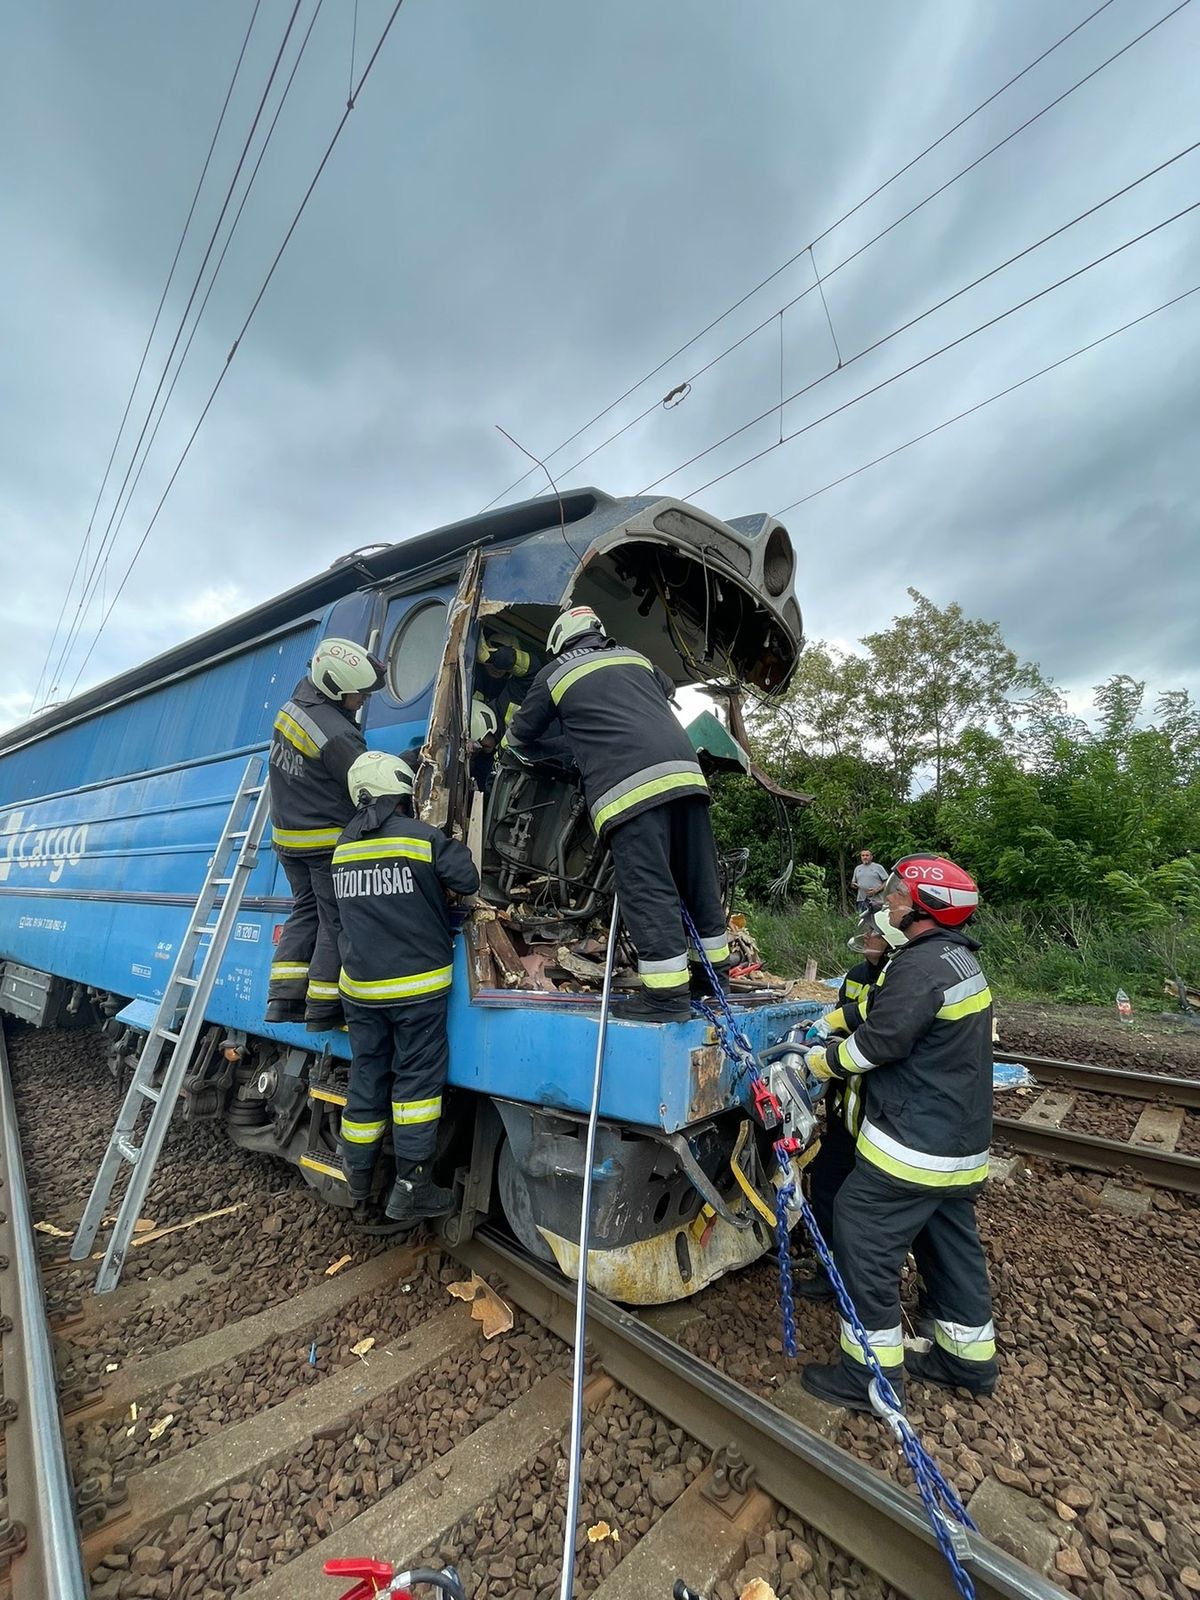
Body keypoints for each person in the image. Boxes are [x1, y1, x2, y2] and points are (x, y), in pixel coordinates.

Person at [799, 853, 998, 1410]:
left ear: (925, 909)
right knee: (948, 1242)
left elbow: (882, 1043)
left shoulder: (920, 966)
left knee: (861, 1229)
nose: (888, 901)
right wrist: (838, 1019)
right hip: (960, 1145)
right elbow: (897, 1017)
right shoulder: (955, 961)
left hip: (915, 1144)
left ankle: (869, 1377)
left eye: (898, 896)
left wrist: (818, 1063)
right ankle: (967, 1359)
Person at [507, 606, 730, 1021]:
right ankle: (712, 978)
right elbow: (661, 696)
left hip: (629, 791)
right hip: (686, 776)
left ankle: (666, 1000)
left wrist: (569, 753)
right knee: (698, 881)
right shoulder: (636, 657)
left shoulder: (554, 674)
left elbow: (519, 739)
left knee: (650, 887)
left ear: (558, 641)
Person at [332, 750, 480, 1225]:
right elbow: (468, 878)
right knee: (416, 1083)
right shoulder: (422, 839)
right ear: (400, 791)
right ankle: (412, 1185)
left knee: (368, 1076)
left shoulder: (342, 850)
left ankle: (357, 1177)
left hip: (360, 990)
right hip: (416, 989)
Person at [266, 638, 384, 1030]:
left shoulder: (295, 704)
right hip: (323, 842)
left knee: (306, 911)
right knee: (336, 921)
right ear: (334, 687)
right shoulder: (338, 735)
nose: (364, 699)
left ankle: (283, 999)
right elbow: (365, 784)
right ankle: (324, 1009)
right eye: (359, 693)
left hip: (288, 838)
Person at [795, 908, 904, 1302]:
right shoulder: (858, 977)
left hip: (883, 1119)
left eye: (875, 932)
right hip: (847, 1112)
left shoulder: (902, 976)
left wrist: (829, 1057)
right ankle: (832, 1274)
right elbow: (850, 1016)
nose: (868, 938)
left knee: (867, 1204)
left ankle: (864, 1285)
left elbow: (877, 1038)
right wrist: (825, 1030)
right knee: (826, 1184)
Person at [851, 849, 888, 914]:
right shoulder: (857, 868)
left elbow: (887, 882)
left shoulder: (878, 867)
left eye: (867, 855)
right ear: (861, 857)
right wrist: (854, 885)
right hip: (862, 900)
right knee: (864, 922)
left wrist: (876, 891)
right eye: (863, 855)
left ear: (871, 857)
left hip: (877, 901)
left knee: (878, 921)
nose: (865, 857)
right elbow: (853, 883)